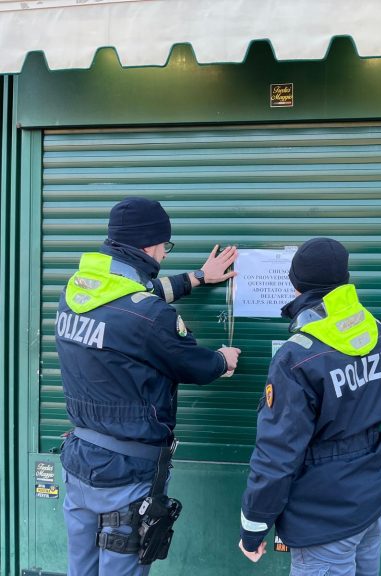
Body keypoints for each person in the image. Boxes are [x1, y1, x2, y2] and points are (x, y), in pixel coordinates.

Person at [55, 196, 242, 576]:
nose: (165, 254)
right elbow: (194, 365)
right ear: (149, 246)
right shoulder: (148, 315)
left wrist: (198, 277)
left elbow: (133, 299)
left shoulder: (76, 294)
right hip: (126, 472)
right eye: (164, 246)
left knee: (81, 569)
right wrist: (223, 360)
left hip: (79, 461)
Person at [238, 237, 381, 576]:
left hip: (325, 518)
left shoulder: (297, 355)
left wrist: (254, 525)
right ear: (345, 279)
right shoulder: (380, 331)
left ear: (295, 284)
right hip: (371, 501)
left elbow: (278, 452)